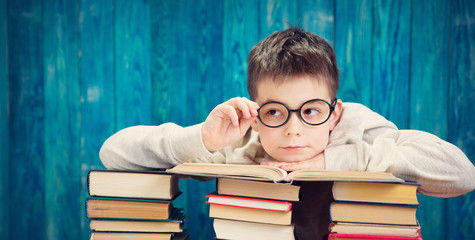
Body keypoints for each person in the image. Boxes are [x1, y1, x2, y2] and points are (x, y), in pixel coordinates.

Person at [99, 28, 475, 239]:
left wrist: (340, 159)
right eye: (275, 111)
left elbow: (462, 174)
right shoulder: (241, 141)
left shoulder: (357, 128)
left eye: (311, 111)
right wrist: (203, 139)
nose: (294, 129)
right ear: (256, 114)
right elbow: (113, 152)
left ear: (334, 113)